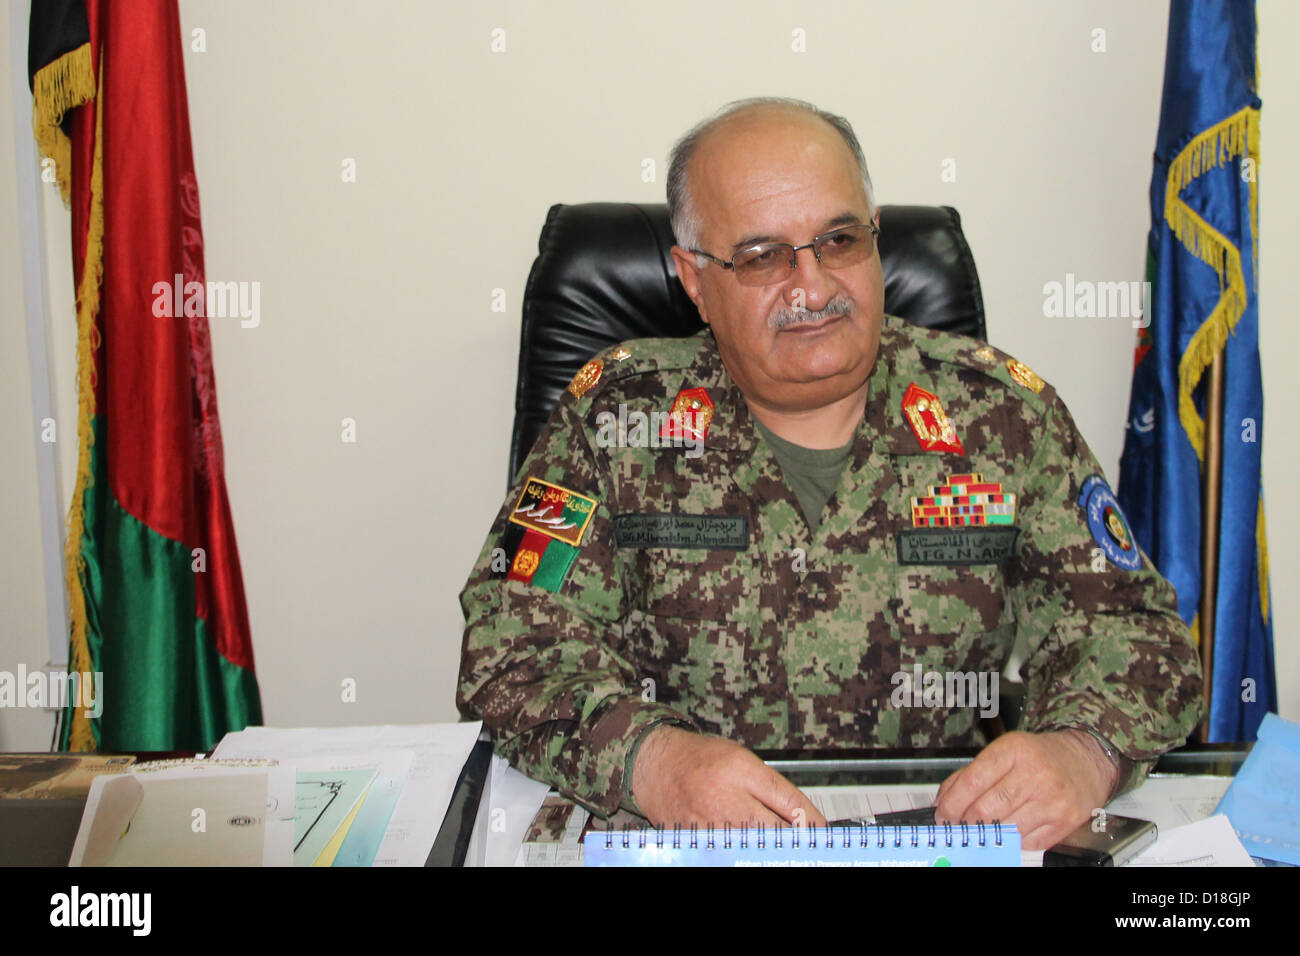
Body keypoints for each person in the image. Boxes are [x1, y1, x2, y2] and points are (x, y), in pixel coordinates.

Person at [457, 97, 1203, 851]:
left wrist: (1083, 750)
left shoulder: (1005, 418)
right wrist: (649, 760)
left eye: (839, 240)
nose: (812, 287)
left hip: (934, 838)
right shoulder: (608, 421)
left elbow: (1135, 631)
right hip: (676, 841)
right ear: (693, 279)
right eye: (761, 256)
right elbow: (509, 641)